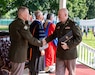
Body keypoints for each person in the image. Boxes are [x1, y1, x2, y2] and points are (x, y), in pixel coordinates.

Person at [42, 8, 82, 75]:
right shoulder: (58, 25)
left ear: (66, 15)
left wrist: (68, 45)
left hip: (70, 54)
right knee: (59, 73)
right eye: (58, 14)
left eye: (60, 14)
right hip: (60, 53)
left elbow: (79, 38)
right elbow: (54, 35)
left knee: (71, 73)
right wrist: (46, 40)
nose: (58, 16)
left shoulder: (73, 25)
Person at [9, 6, 43, 75]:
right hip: (19, 54)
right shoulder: (21, 25)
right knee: (17, 73)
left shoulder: (13, 24)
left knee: (15, 72)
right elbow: (30, 38)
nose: (29, 15)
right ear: (23, 14)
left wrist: (27, 22)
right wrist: (41, 43)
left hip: (14, 52)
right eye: (27, 13)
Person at [28, 10, 46, 75]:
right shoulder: (39, 24)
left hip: (31, 47)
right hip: (36, 48)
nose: (43, 16)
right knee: (36, 67)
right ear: (39, 16)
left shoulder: (32, 24)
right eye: (42, 15)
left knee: (32, 66)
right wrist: (42, 49)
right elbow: (41, 38)